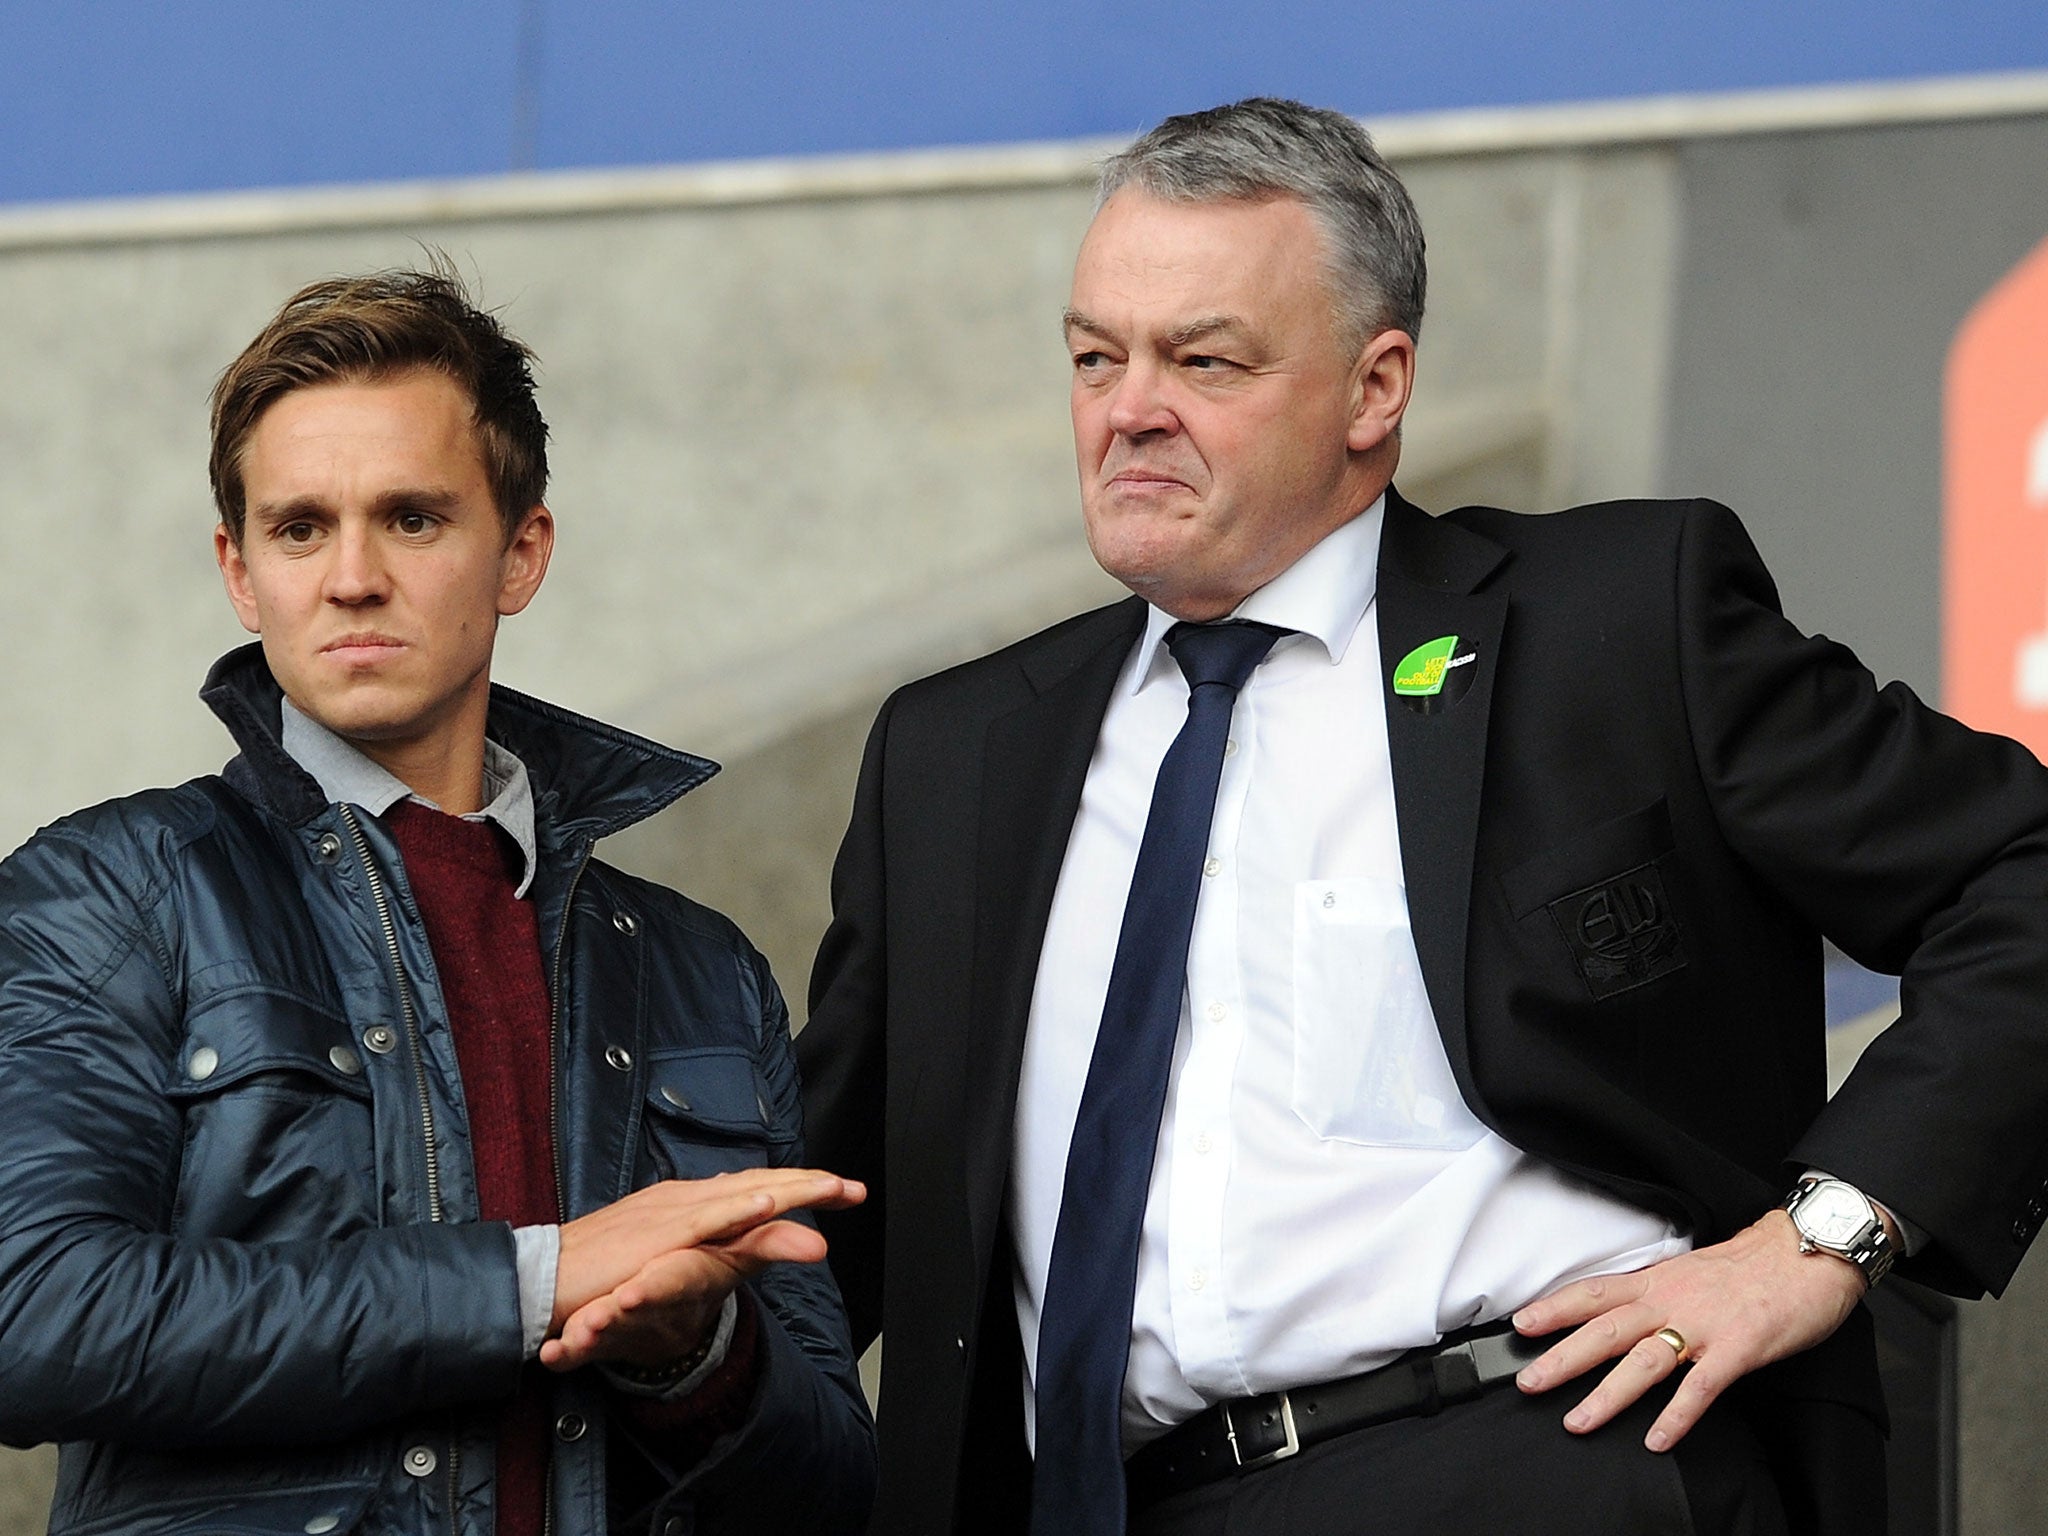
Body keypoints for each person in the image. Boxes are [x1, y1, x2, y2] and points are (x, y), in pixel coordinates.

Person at [796, 97, 2048, 1536]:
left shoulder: (1618, 627)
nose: (1129, 407)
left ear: (1374, 388)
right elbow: (821, 1225)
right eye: (1096, 356)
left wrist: (1820, 1238)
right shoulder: (953, 755)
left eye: (1203, 360)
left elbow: (2021, 870)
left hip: (1530, 1464)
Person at [0, 263, 875, 1536]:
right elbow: (33, 1313)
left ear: (519, 553)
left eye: (411, 518)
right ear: (240, 573)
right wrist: (532, 1283)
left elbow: (835, 1488)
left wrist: (692, 1356)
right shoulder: (113, 893)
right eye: (300, 527)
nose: (351, 576)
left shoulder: (700, 971)